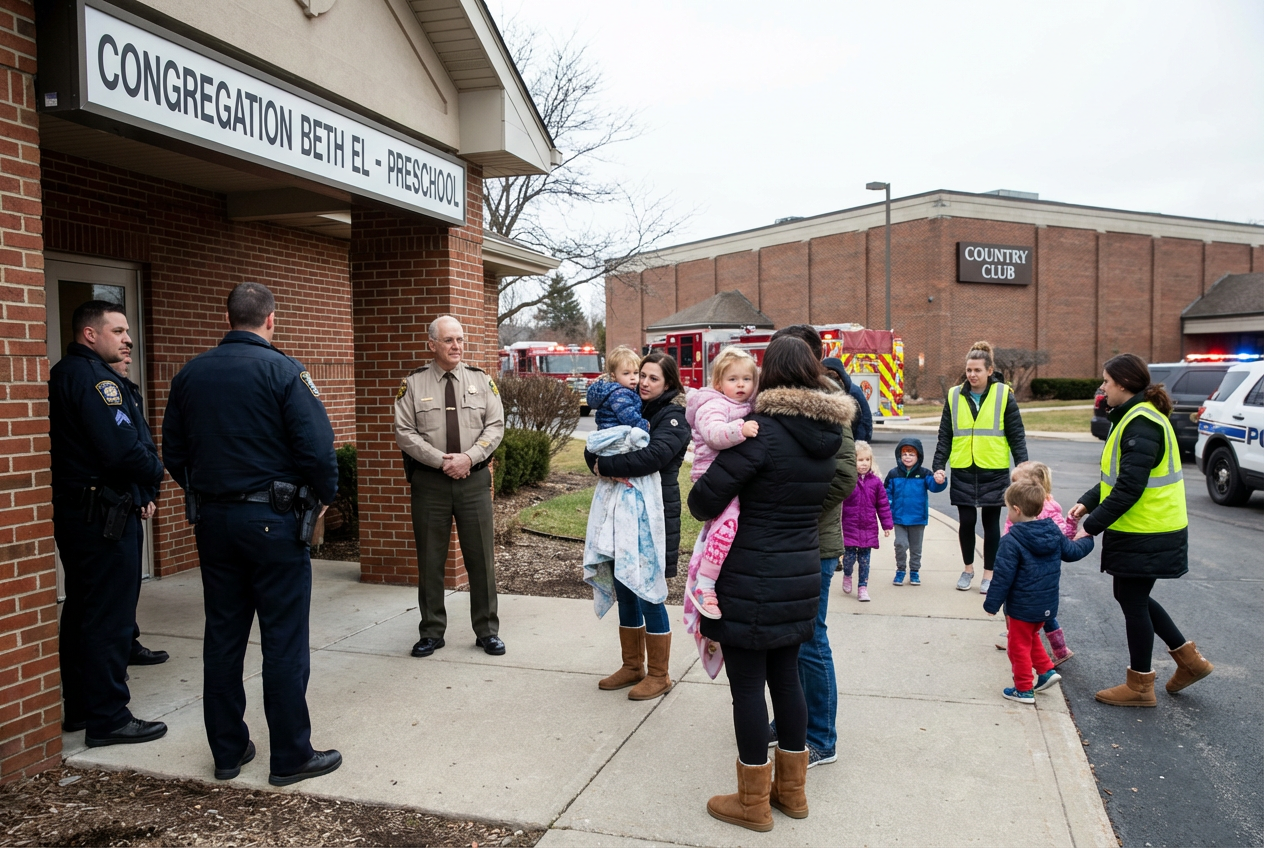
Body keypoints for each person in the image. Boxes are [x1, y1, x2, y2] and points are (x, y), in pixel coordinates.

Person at [163, 282, 341, 785]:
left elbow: (173, 453)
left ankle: (228, 752)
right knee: (283, 639)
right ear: (270, 320)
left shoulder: (189, 374)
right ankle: (291, 757)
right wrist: (321, 496)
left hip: (214, 523)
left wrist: (212, 492)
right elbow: (316, 449)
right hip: (274, 523)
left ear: (230, 317)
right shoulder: (285, 372)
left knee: (223, 635)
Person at [689, 336, 849, 831]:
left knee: (747, 691)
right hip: (799, 574)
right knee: (787, 681)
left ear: (769, 378)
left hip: (749, 579)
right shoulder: (828, 438)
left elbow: (703, 501)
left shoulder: (760, 434)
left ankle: (753, 803)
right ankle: (793, 793)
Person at [50, 300, 167, 747]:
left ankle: (81, 708)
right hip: (101, 518)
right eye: (117, 330)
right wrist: (158, 470)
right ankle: (109, 717)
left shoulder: (72, 374)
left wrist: (143, 490)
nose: (127, 338)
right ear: (89, 335)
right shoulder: (94, 380)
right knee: (108, 618)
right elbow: (121, 450)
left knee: (83, 611)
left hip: (90, 512)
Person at [1068, 354, 1213, 707]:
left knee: (1132, 599)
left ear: (1122, 384)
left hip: (1148, 530)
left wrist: (1092, 526)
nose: (1102, 387)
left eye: (1105, 381)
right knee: (1134, 597)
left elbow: (1130, 488)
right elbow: (1115, 479)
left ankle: (1140, 686)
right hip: (1147, 529)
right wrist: (1087, 502)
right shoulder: (1134, 417)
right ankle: (1189, 661)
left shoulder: (1141, 423)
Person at [767, 324, 857, 770]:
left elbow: (844, 476)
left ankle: (821, 736)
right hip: (784, 542)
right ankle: (789, 723)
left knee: (810, 641)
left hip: (814, 541)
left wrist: (795, 509)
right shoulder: (778, 404)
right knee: (785, 641)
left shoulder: (831, 406)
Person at [395, 315, 506, 658]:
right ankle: (431, 631)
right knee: (430, 560)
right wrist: (441, 460)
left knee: (481, 559)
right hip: (430, 482)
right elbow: (404, 432)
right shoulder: (413, 384)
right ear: (432, 345)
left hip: (473, 481)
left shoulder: (481, 380)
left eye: (460, 339)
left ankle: (487, 630)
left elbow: (495, 425)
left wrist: (468, 458)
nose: (457, 346)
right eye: (448, 340)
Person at [585, 351, 690, 700]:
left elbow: (653, 457)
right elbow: (592, 448)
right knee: (624, 584)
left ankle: (659, 674)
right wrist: (599, 463)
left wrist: (606, 466)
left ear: (668, 383)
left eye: (653, 378)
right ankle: (633, 666)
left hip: (653, 513)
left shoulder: (672, 415)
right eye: (641, 375)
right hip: (620, 514)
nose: (643, 382)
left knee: (647, 589)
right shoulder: (629, 404)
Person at [984, 480, 1095, 703]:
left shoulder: (1011, 541)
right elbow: (1072, 551)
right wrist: (1088, 540)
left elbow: (1003, 577)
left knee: (1017, 647)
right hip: (1046, 605)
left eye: (1008, 508)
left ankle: (1023, 689)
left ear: (1016, 509)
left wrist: (991, 604)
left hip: (1021, 607)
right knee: (1031, 638)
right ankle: (1046, 671)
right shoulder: (1052, 532)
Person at [932, 341, 1028, 594]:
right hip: (963, 466)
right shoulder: (954, 395)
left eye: (977, 370)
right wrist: (938, 466)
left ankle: (988, 574)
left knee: (990, 523)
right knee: (966, 521)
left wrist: (1023, 466)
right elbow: (945, 435)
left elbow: (1016, 434)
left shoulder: (1003, 394)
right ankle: (967, 570)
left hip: (993, 467)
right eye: (969, 370)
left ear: (989, 370)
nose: (972, 375)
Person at [683, 346, 760, 618]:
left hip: (729, 474)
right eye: (733, 379)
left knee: (722, 527)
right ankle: (705, 584)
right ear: (718, 383)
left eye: (747, 379)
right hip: (711, 475)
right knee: (727, 525)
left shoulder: (744, 405)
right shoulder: (713, 405)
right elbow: (714, 434)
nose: (741, 384)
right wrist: (740, 430)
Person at [109, 348, 168, 668]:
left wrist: (148, 493)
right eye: (122, 357)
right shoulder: (105, 393)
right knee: (115, 591)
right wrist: (151, 477)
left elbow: (144, 444)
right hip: (113, 504)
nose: (128, 359)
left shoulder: (129, 393)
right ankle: (117, 653)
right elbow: (123, 454)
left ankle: (128, 641)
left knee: (129, 584)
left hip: (133, 498)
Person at [996, 461, 1078, 664]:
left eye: (1016, 482)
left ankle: (1053, 649)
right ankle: (1025, 641)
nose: (1012, 487)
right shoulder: (1030, 504)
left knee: (1027, 610)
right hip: (1028, 566)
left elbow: (1060, 535)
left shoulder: (1042, 507)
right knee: (1030, 609)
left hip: (1030, 570)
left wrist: (1073, 525)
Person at [884, 437, 947, 586]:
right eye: (904, 454)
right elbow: (886, 493)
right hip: (898, 517)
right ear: (899, 456)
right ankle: (900, 569)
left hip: (917, 517)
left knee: (916, 548)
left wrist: (940, 481)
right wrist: (887, 507)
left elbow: (934, 487)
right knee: (900, 544)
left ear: (918, 456)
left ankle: (914, 571)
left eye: (911, 454)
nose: (907, 457)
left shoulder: (924, 474)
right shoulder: (893, 474)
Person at [839, 441, 893, 602]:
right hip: (849, 526)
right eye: (860, 460)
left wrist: (887, 525)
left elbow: (882, 504)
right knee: (848, 559)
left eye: (867, 460)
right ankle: (847, 575)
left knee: (865, 561)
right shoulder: (848, 480)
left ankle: (862, 587)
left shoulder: (875, 482)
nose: (864, 463)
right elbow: (839, 502)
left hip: (868, 527)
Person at [586, 345, 650, 432]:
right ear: (614, 376)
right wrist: (643, 424)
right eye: (626, 373)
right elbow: (627, 416)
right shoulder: (619, 394)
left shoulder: (618, 391)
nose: (632, 377)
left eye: (635, 372)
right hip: (616, 434)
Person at [823, 356, 872, 442]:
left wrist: (860, 441)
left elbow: (865, 418)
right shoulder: (853, 390)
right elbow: (866, 419)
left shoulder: (853, 392)